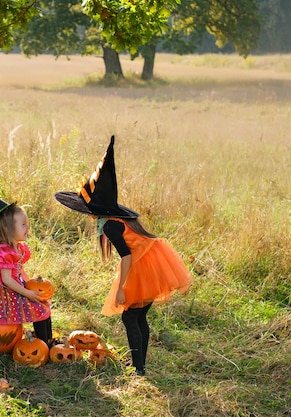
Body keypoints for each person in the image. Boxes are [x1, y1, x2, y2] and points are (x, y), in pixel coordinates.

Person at [54, 136, 193, 376]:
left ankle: (138, 368)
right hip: (155, 262)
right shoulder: (120, 220)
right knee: (138, 318)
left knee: (131, 318)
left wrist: (121, 288)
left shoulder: (110, 226)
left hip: (142, 266)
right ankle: (140, 366)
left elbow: (127, 257)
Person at [0, 185, 54, 346]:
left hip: (15, 286)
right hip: (1, 291)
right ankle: (43, 344)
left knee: (42, 306)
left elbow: (20, 270)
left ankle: (47, 341)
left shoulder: (18, 248)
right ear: (8, 229)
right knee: (36, 308)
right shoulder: (4, 251)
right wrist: (27, 292)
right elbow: (6, 279)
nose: (28, 227)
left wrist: (31, 285)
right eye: (23, 225)